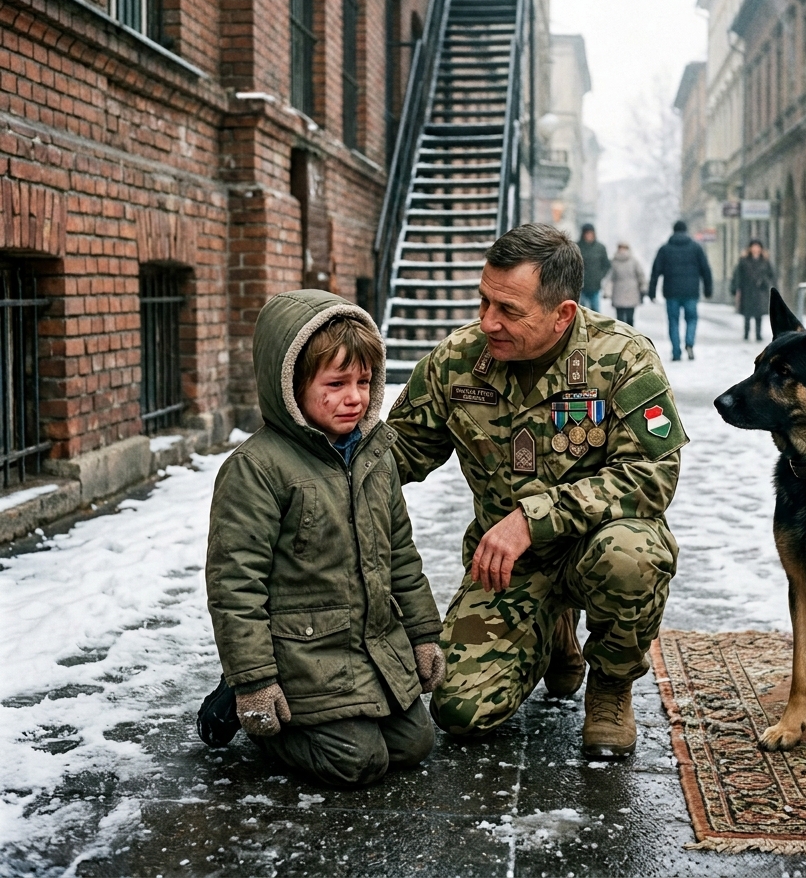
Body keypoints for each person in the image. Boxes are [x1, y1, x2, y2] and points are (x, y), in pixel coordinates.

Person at [387, 223, 684, 758]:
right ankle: (553, 632)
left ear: (562, 314)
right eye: (483, 301)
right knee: (458, 712)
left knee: (633, 556)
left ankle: (611, 686)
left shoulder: (620, 358)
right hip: (507, 568)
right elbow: (399, 453)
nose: (487, 321)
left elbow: (653, 474)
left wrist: (533, 518)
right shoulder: (457, 360)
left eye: (508, 310)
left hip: (596, 547)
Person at [201, 290, 444, 786]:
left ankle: (345, 715)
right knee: (356, 762)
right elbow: (235, 586)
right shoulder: (258, 469)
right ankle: (261, 720)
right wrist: (254, 682)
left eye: (363, 381)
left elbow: (401, 554)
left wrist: (422, 636)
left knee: (416, 743)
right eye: (335, 383)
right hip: (302, 655)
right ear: (291, 384)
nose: (354, 397)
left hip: (370, 647)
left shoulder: (376, 455)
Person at [648, 220, 713, 361]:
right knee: (691, 319)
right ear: (686, 230)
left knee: (673, 321)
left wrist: (651, 291)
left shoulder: (665, 249)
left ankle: (676, 351)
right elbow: (705, 269)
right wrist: (708, 289)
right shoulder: (696, 248)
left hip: (671, 293)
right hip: (691, 292)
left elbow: (655, 271)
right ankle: (689, 343)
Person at [729, 239, 776, 342]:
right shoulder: (744, 261)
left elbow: (771, 275)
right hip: (747, 290)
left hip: (760, 291)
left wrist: (766, 283)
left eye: (757, 246)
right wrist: (735, 288)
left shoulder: (765, 261)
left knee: (759, 314)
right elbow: (737, 275)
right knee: (747, 313)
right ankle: (746, 333)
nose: (755, 249)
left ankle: (758, 334)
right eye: (754, 246)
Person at [604, 242, 646, 326]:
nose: (622, 250)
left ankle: (630, 335)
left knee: (630, 318)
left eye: (624, 248)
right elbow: (610, 277)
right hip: (618, 292)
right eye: (620, 248)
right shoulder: (614, 262)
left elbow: (641, 275)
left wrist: (643, 288)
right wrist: (607, 291)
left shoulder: (634, 261)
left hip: (631, 292)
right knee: (620, 319)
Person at [577, 224, 610, 312]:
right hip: (580, 286)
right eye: (587, 233)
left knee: (595, 311)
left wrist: (599, 276)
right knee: (581, 311)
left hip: (595, 286)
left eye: (591, 233)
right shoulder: (577, 247)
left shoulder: (600, 248)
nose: (589, 236)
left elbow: (606, 265)